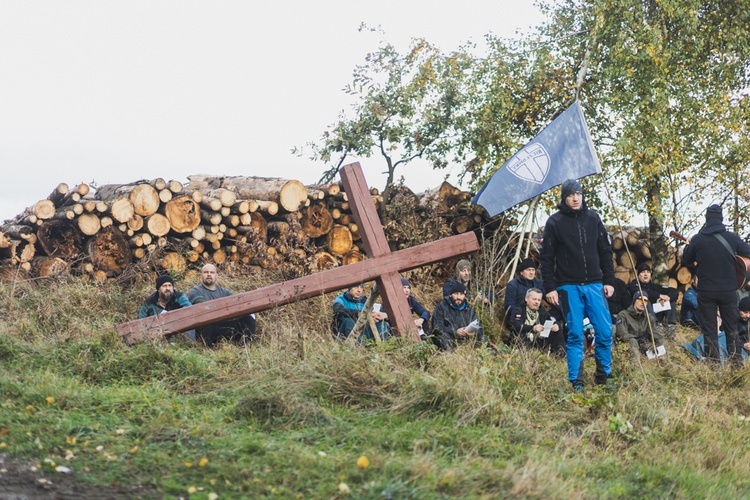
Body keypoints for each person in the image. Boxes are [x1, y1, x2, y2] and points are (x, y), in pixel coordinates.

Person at [540, 178, 615, 392]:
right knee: (574, 333)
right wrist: (550, 287)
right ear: (564, 197)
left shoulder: (593, 219)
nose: (575, 198)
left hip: (594, 284)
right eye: (571, 195)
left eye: (579, 194)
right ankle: (577, 381)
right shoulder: (555, 222)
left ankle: (604, 376)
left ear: (582, 196)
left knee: (604, 330)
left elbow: (605, 251)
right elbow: (547, 258)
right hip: (568, 286)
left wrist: (609, 280)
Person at [682, 204, 750, 365]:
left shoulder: (698, 239)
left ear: (706, 219)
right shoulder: (732, 238)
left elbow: (687, 259)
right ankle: (736, 363)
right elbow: (748, 251)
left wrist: (687, 244)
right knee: (731, 328)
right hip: (728, 291)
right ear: (721, 219)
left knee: (710, 330)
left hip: (706, 292)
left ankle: (713, 365)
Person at [187, 264, 256, 347]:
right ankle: (208, 349)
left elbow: (237, 304)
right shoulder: (195, 291)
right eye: (206, 272)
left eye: (212, 272)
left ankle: (247, 346)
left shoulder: (225, 292)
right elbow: (203, 306)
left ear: (216, 276)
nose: (209, 274)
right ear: (201, 275)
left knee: (249, 316)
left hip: (223, 326)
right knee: (205, 318)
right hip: (207, 329)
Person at [430, 279, 487, 351]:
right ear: (451, 294)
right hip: (449, 339)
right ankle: (450, 358)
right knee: (443, 338)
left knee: (483, 338)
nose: (459, 297)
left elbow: (478, 326)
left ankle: (482, 357)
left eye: (461, 294)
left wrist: (472, 333)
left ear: (464, 295)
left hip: (466, 340)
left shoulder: (469, 308)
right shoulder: (442, 306)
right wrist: (455, 331)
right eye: (456, 294)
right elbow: (437, 327)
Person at [509, 288, 564, 356]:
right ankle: (525, 353)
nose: (536, 302)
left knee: (557, 332)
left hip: (539, 340)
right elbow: (515, 325)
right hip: (523, 339)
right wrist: (533, 328)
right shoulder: (518, 310)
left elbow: (553, 320)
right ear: (526, 298)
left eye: (539, 300)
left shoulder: (542, 311)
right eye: (534, 299)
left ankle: (560, 356)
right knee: (519, 333)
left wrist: (556, 326)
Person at [614, 291, 666, 362]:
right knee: (632, 342)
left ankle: (665, 364)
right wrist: (633, 341)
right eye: (640, 299)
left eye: (645, 300)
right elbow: (622, 333)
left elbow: (655, 333)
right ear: (634, 301)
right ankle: (636, 367)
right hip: (628, 343)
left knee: (660, 341)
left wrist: (658, 343)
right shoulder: (623, 315)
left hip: (643, 343)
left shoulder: (648, 316)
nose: (643, 302)